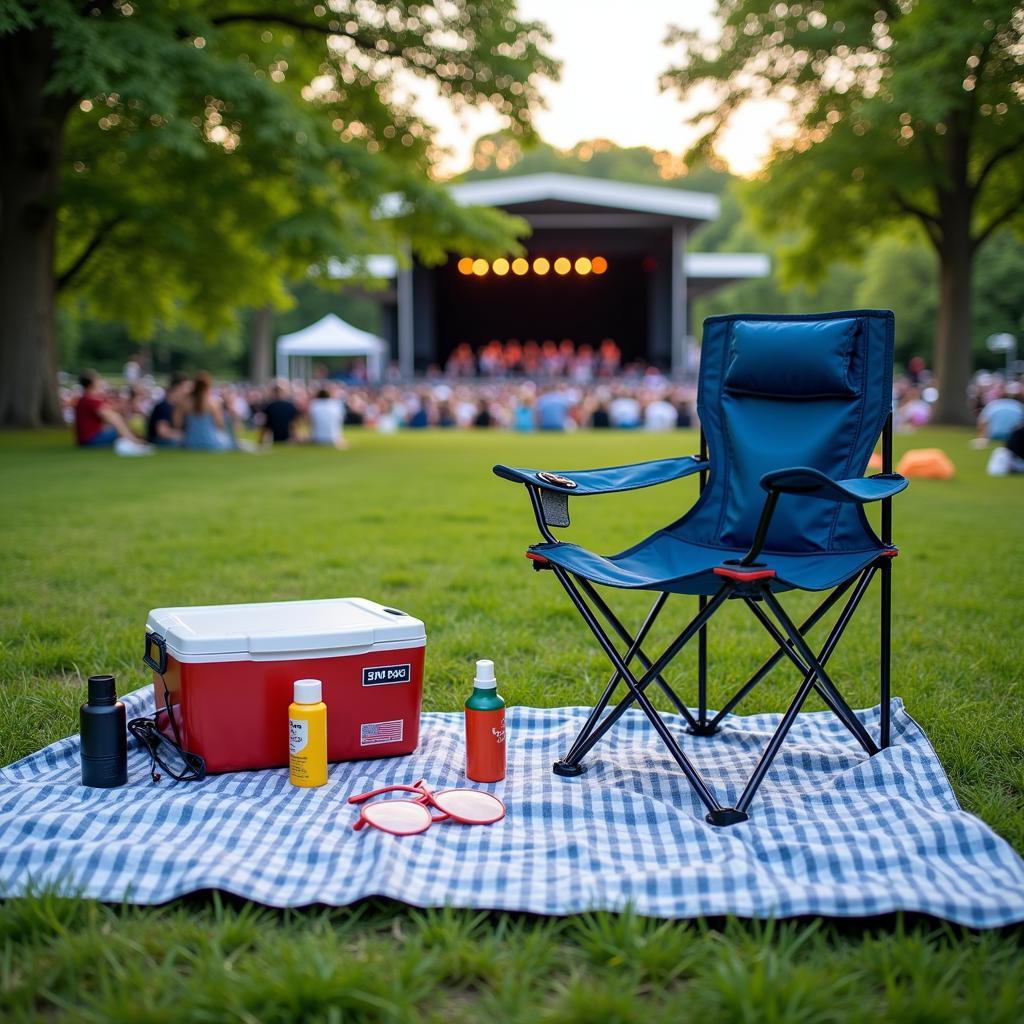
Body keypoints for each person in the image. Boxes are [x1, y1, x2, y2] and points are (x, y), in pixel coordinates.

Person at [74, 371, 149, 451]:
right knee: (119, 426)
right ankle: (135, 442)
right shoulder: (90, 400)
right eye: (97, 379)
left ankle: (134, 440)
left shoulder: (85, 399)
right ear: (92, 383)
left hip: (86, 438)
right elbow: (112, 417)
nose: (99, 381)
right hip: (90, 439)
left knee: (117, 426)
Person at [173, 371, 231, 451]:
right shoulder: (213, 403)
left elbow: (177, 423)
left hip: (190, 442)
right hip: (211, 442)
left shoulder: (186, 403)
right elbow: (220, 425)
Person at [146, 372, 190, 446]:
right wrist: (184, 435)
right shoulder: (164, 406)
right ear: (177, 388)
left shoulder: (178, 407)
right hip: (158, 441)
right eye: (186, 388)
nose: (188, 391)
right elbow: (162, 431)